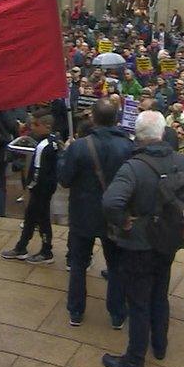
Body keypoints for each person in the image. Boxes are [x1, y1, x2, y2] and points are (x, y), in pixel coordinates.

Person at [100, 111, 184, 367]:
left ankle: (135, 359)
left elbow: (110, 202)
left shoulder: (133, 167)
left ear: (138, 136)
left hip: (139, 244)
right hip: (168, 240)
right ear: (162, 134)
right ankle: (159, 346)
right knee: (160, 294)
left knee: (139, 301)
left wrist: (124, 221)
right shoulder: (179, 160)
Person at [58, 98, 132, 328]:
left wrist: (64, 155)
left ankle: (76, 311)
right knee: (116, 266)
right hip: (114, 215)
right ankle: (117, 313)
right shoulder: (128, 147)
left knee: (79, 264)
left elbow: (65, 180)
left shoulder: (79, 147)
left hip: (83, 214)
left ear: (93, 118)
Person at [1, 109, 61, 264]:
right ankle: (22, 246)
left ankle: (46, 250)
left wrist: (30, 187)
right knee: (31, 218)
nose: (32, 127)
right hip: (46, 187)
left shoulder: (42, 146)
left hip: (40, 189)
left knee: (41, 220)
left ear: (46, 126)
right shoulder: (53, 142)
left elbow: (37, 171)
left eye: (35, 124)